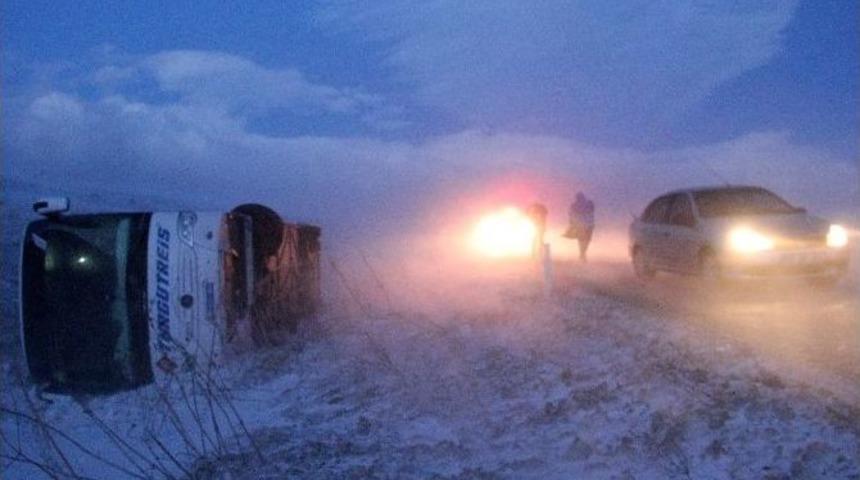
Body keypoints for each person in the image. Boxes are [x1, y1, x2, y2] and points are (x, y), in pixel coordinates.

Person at [566, 192, 595, 262]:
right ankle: (583, 254)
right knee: (585, 240)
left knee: (583, 240)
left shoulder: (577, 205)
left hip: (585, 225)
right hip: (587, 225)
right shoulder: (586, 204)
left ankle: (582, 253)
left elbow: (571, 215)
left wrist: (571, 224)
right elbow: (571, 215)